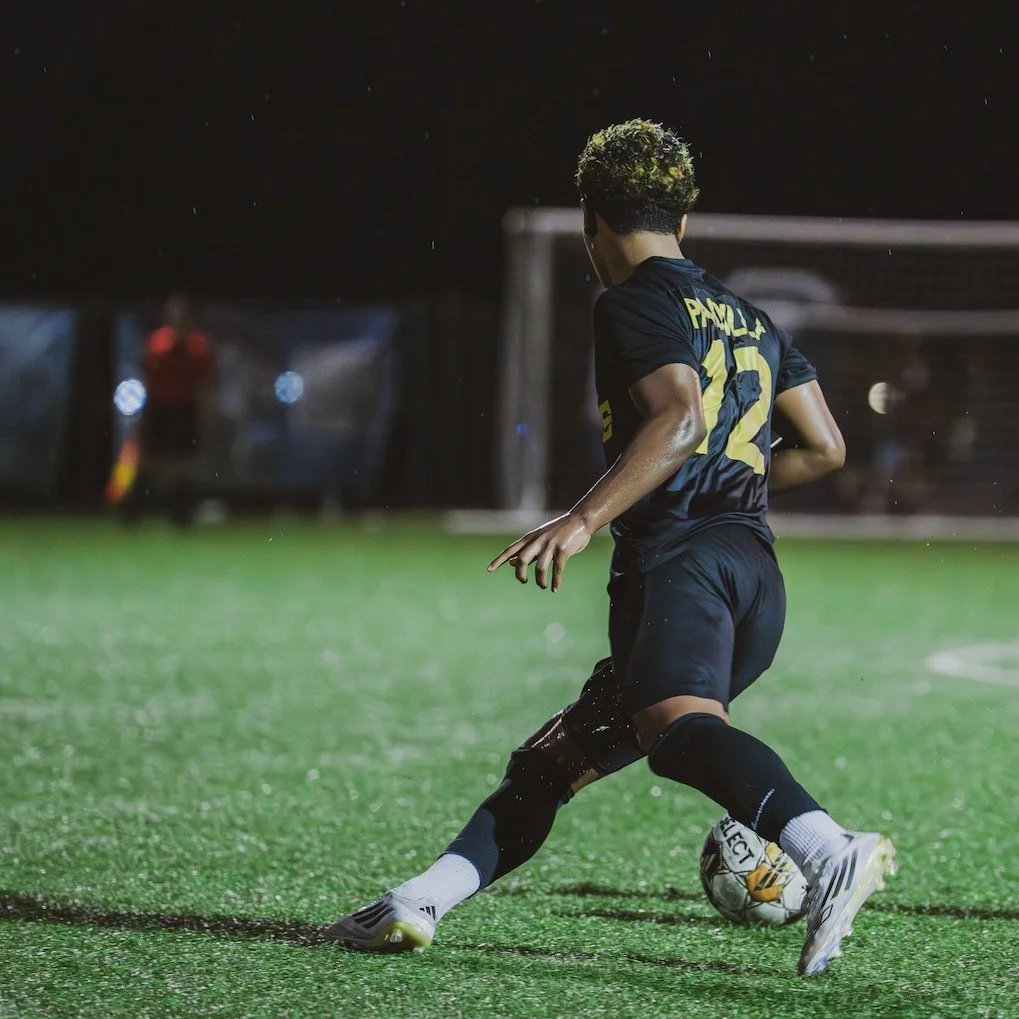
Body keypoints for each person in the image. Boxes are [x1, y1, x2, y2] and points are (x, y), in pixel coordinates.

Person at [327, 120, 897, 977]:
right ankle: (420, 900)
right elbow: (824, 446)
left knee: (677, 734)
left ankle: (827, 847)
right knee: (555, 759)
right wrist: (723, 481)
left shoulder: (631, 300)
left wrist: (583, 519)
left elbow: (679, 417)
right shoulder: (751, 316)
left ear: (590, 217)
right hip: (753, 579)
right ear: (686, 216)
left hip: (680, 567)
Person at [122, 294, 217, 526]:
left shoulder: (199, 347)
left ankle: (180, 515)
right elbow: (148, 380)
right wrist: (143, 415)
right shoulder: (157, 344)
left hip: (184, 408)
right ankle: (132, 513)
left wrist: (206, 417)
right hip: (159, 406)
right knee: (148, 460)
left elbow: (205, 385)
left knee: (181, 463)